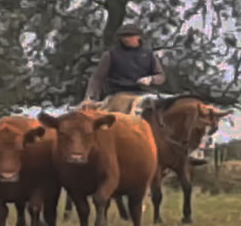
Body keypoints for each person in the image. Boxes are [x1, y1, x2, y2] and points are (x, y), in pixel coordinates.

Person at [84, 23, 206, 165]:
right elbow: (97, 77)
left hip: (145, 93)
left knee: (173, 109)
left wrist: (151, 79)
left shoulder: (148, 55)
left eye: (129, 36)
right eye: (123, 36)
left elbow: (161, 76)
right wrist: (90, 97)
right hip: (119, 93)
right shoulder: (111, 55)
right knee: (123, 116)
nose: (126, 39)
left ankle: (187, 149)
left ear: (138, 37)